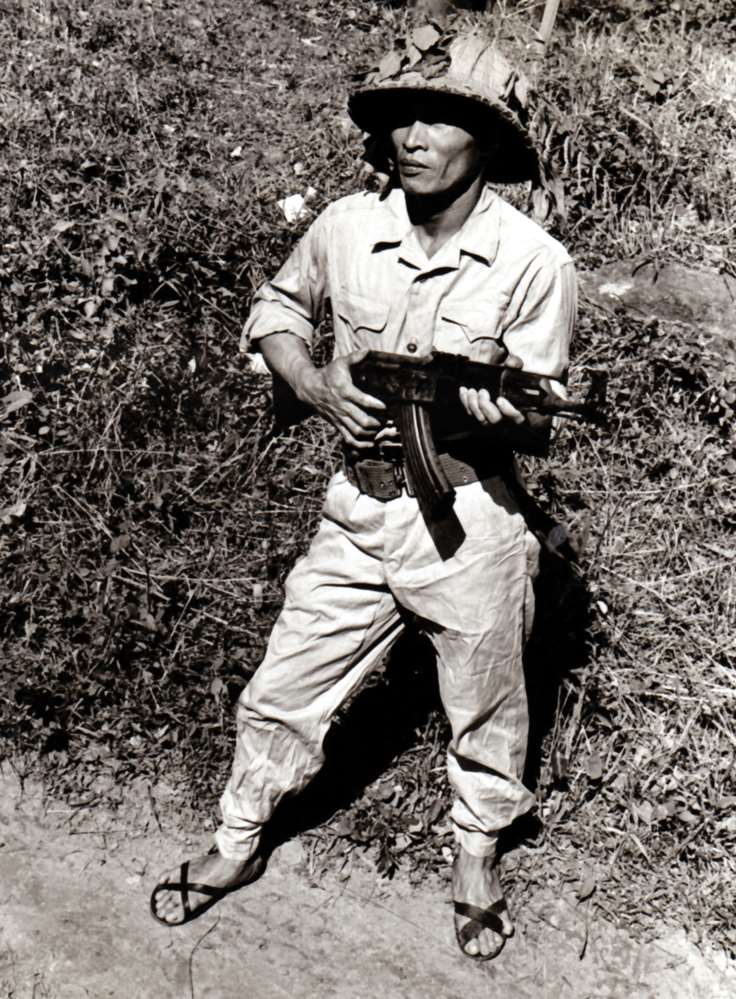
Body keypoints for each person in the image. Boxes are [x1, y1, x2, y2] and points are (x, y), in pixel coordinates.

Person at [150, 22, 576, 962]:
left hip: (470, 520)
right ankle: (235, 840)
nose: (415, 135)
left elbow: (540, 413)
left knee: (485, 704)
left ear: (488, 141)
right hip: (355, 511)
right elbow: (277, 309)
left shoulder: (536, 262)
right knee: (280, 688)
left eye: (441, 117)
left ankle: (475, 856)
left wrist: (487, 409)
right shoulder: (346, 226)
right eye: (401, 118)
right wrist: (311, 383)